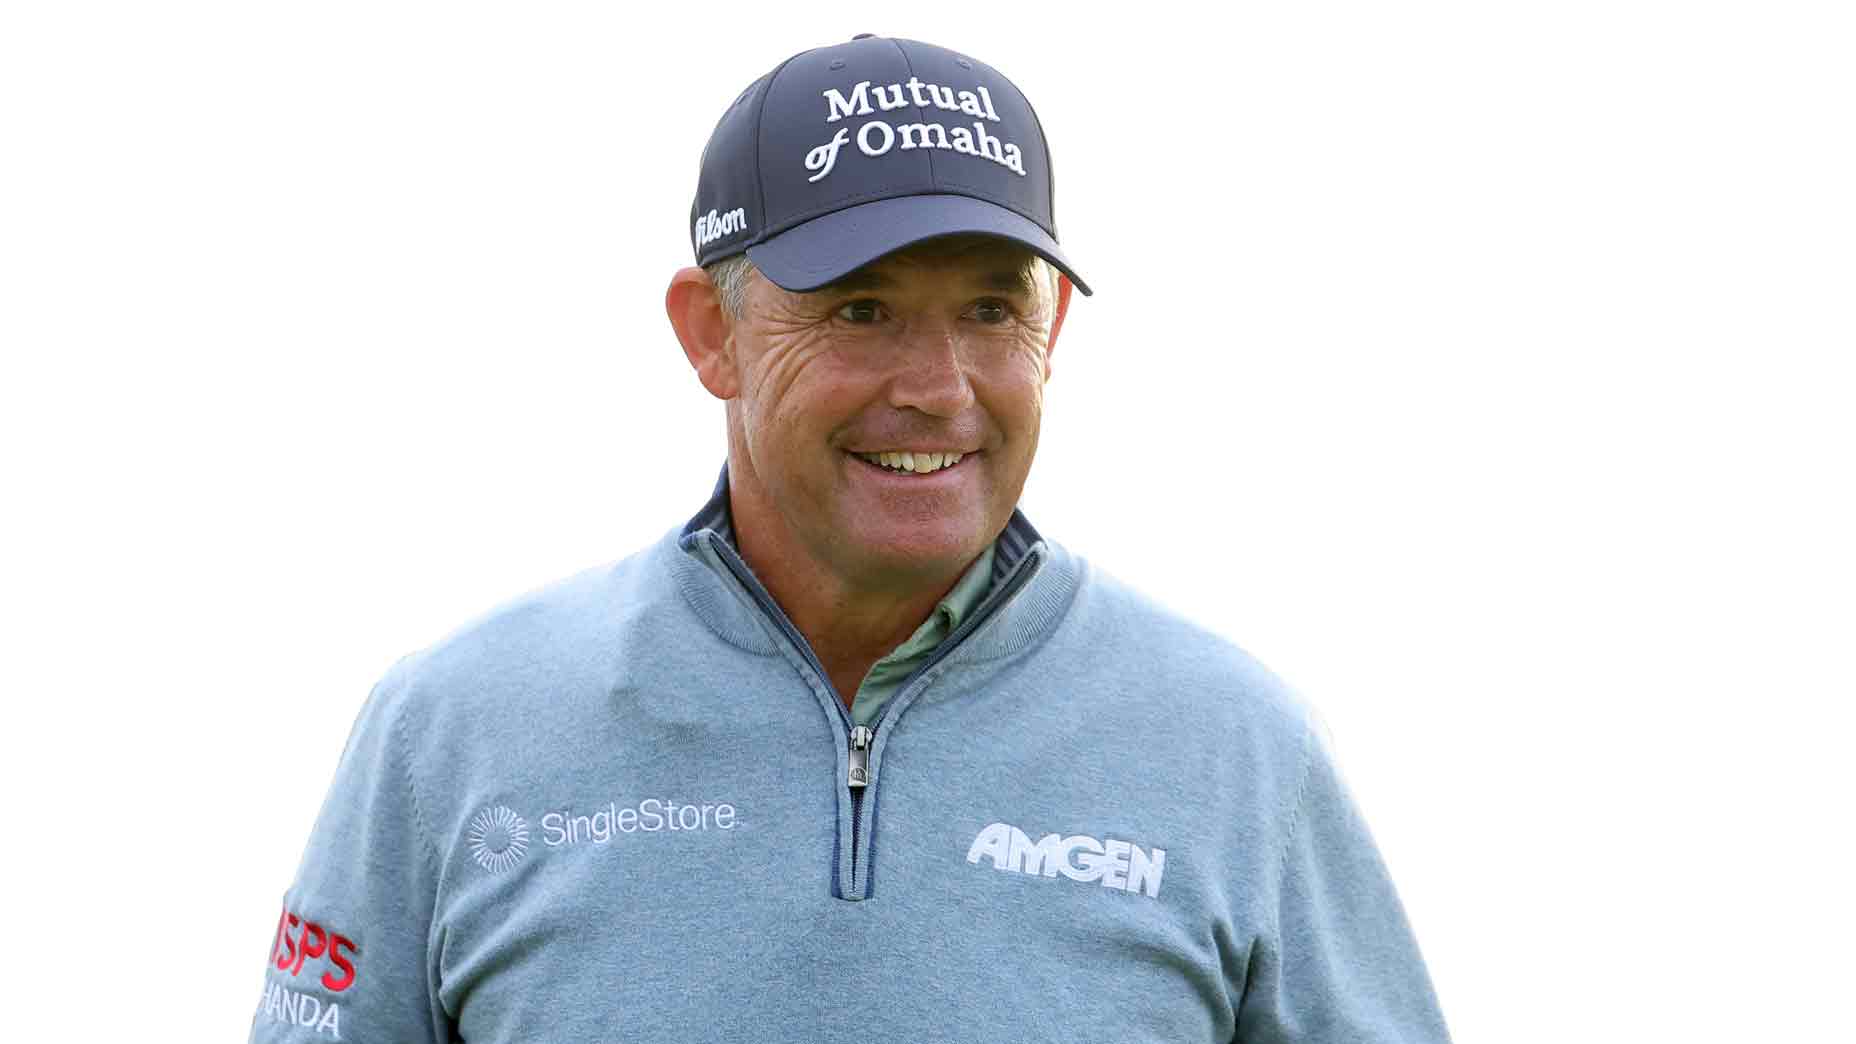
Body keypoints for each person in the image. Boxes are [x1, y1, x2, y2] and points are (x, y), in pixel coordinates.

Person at [249, 34, 1452, 1044]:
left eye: (990, 309)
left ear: (1053, 333)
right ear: (708, 333)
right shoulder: (453, 727)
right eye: (860, 310)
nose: (939, 387)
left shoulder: (1236, 746)